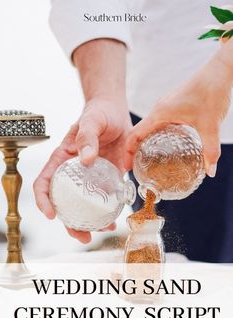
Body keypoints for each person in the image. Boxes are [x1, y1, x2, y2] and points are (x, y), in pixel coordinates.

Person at [33, 0, 233, 262]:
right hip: (164, 143)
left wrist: (223, 69)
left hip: (174, 126)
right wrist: (105, 96)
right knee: (192, 278)